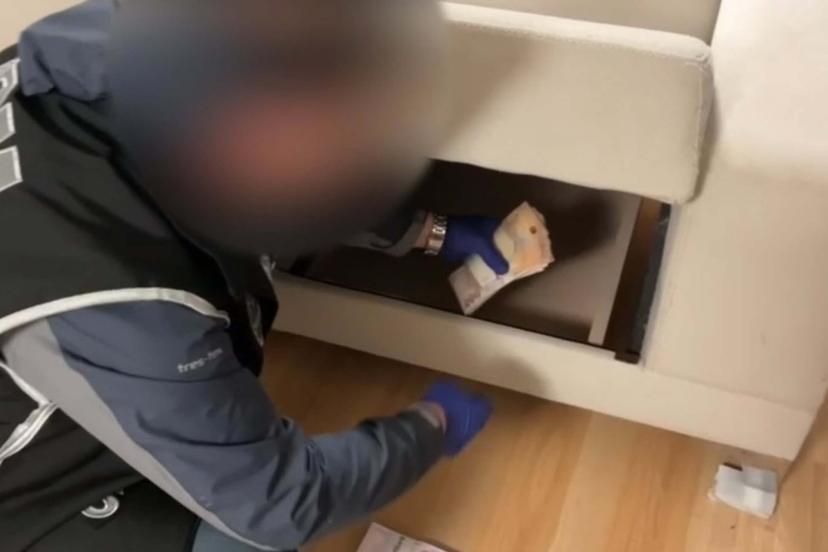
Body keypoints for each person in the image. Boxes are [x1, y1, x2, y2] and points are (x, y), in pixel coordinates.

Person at [0, 1, 510, 551]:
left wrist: (431, 233)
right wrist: (431, 427)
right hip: (23, 493)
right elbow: (281, 505)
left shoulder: (116, 44)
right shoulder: (120, 304)